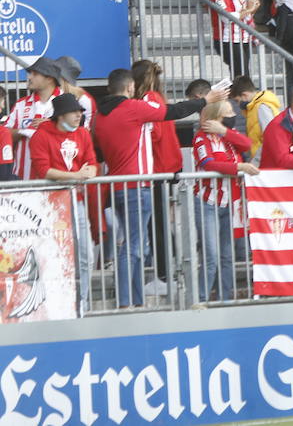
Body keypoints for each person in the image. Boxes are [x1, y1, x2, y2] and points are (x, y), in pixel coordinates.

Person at [94, 67, 222, 308]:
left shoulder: (99, 116)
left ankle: (136, 302)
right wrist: (206, 101)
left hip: (115, 186)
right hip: (137, 185)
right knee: (132, 248)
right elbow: (173, 111)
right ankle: (125, 302)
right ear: (130, 87)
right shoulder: (132, 107)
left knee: (135, 246)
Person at [26, 92, 97, 307]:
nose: (79, 115)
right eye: (74, 111)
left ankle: (81, 302)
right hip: (50, 205)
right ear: (60, 115)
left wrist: (89, 173)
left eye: (80, 111)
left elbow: (93, 164)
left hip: (77, 200)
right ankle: (54, 303)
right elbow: (44, 170)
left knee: (86, 255)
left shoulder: (83, 134)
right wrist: (77, 175)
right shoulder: (41, 135)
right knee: (52, 255)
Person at [190, 100, 258, 301]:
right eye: (228, 112)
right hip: (207, 202)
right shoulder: (201, 138)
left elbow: (247, 144)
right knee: (211, 256)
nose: (232, 115)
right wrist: (240, 168)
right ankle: (200, 299)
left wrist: (224, 131)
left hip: (230, 203)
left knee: (227, 256)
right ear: (217, 116)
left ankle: (225, 298)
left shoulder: (229, 136)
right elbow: (209, 164)